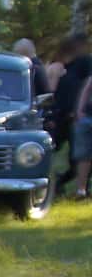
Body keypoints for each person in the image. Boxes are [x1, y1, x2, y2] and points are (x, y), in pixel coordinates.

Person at [48, 34, 89, 188]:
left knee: (79, 157)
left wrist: (78, 110)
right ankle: (52, 182)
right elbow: (52, 91)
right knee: (50, 148)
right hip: (59, 115)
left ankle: (64, 183)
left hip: (75, 116)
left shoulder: (84, 63)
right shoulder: (60, 66)